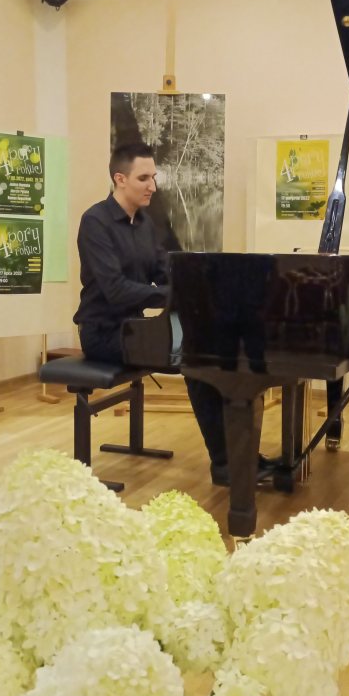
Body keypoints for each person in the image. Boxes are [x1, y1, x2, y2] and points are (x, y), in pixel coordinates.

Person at [74, 142, 274, 486]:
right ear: (120, 179)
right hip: (103, 333)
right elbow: (115, 290)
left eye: (154, 177)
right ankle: (226, 464)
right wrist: (173, 296)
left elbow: (165, 270)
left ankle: (240, 457)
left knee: (215, 353)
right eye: (144, 178)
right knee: (196, 360)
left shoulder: (144, 223)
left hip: (136, 328)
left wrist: (198, 289)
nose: (153, 186)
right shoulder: (95, 222)